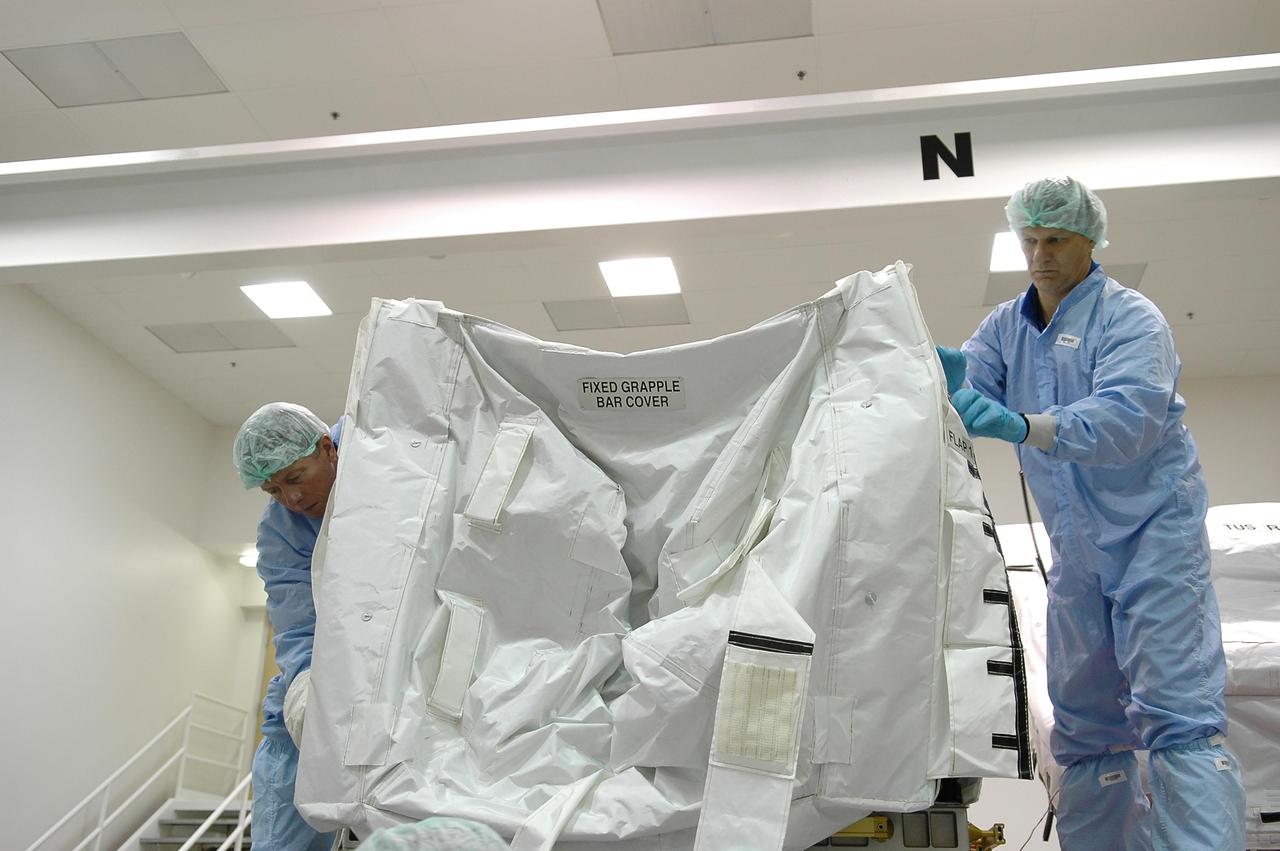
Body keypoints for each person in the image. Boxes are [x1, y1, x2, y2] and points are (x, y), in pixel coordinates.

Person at [936, 177, 1245, 850]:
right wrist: (923, 377)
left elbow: (1128, 419)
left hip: (1152, 536)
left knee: (1177, 710)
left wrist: (1024, 424)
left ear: (1090, 242)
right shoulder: (1004, 329)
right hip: (1076, 552)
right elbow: (963, 390)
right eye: (1031, 240)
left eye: (1056, 240)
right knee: (1083, 722)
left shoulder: (1130, 318)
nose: (1040, 254)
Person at [233, 402, 343, 851]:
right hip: (321, 686)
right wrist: (307, 699)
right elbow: (298, 626)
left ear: (327, 449)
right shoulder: (281, 531)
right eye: (273, 489)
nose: (290, 500)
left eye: (295, 479)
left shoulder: (386, 456)